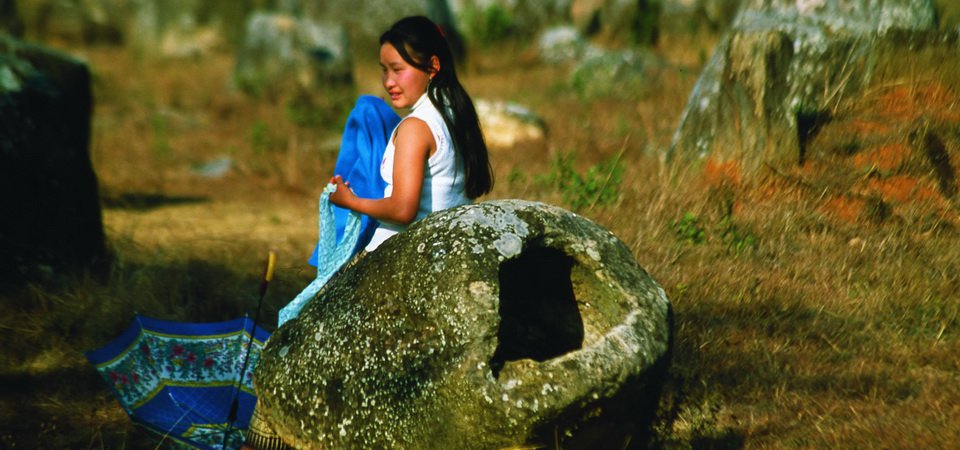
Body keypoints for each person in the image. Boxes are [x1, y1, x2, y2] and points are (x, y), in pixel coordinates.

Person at [242, 15, 493, 450]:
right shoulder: (453, 111)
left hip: (396, 258)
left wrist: (350, 202)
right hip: (435, 253)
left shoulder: (416, 128)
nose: (389, 82)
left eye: (398, 69)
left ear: (432, 66)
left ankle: (265, 442)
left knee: (295, 334)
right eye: (384, 70)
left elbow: (401, 208)